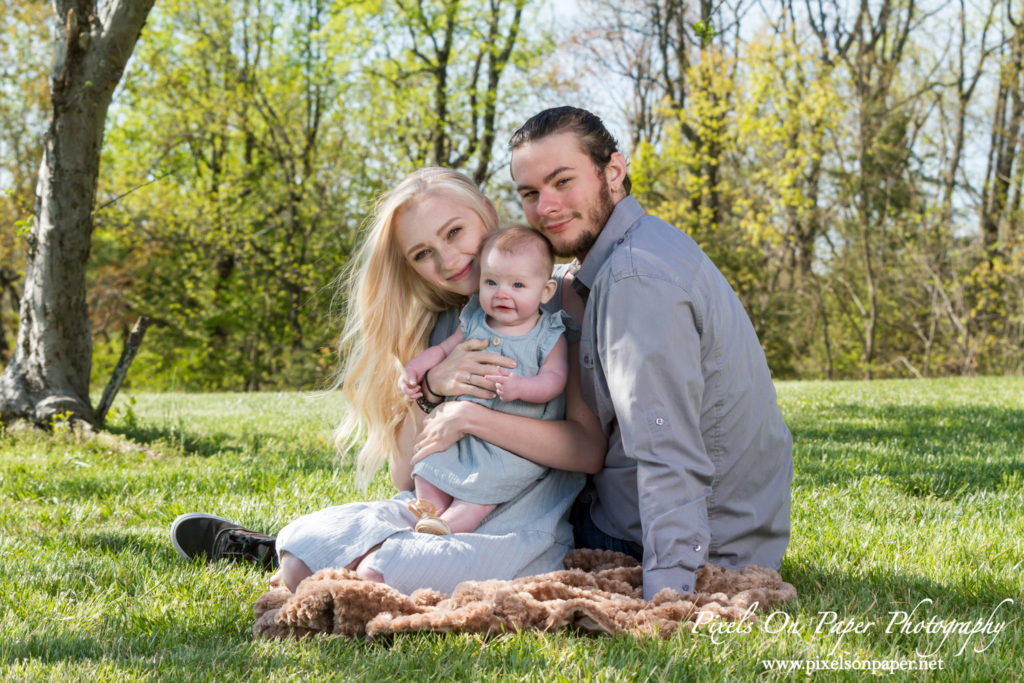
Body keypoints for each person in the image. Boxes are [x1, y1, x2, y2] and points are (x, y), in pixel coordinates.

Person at [170, 167, 606, 594]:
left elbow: (587, 451)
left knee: (388, 568)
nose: (448, 260)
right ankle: (289, 553)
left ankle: (330, 566)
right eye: (422, 254)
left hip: (521, 521)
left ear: (487, 213)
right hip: (433, 506)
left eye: (454, 232)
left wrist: (470, 416)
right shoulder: (436, 328)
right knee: (311, 539)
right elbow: (404, 475)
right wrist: (433, 388)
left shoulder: (557, 304)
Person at [506, 106, 794, 600]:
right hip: (696, 525)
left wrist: (669, 592)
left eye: (562, 182)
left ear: (612, 173)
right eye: (530, 193)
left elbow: (666, 447)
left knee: (492, 525)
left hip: (687, 546)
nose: (545, 207)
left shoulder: (636, 278)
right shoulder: (634, 251)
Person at [400, 226, 569, 535]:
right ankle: (430, 510)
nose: (502, 293)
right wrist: (416, 368)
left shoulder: (548, 334)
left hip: (510, 444)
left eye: (518, 285)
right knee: (429, 462)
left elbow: (555, 380)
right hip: (460, 436)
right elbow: (443, 349)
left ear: (545, 291)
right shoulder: (475, 319)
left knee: (480, 494)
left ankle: (454, 524)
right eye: (491, 282)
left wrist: (522, 388)